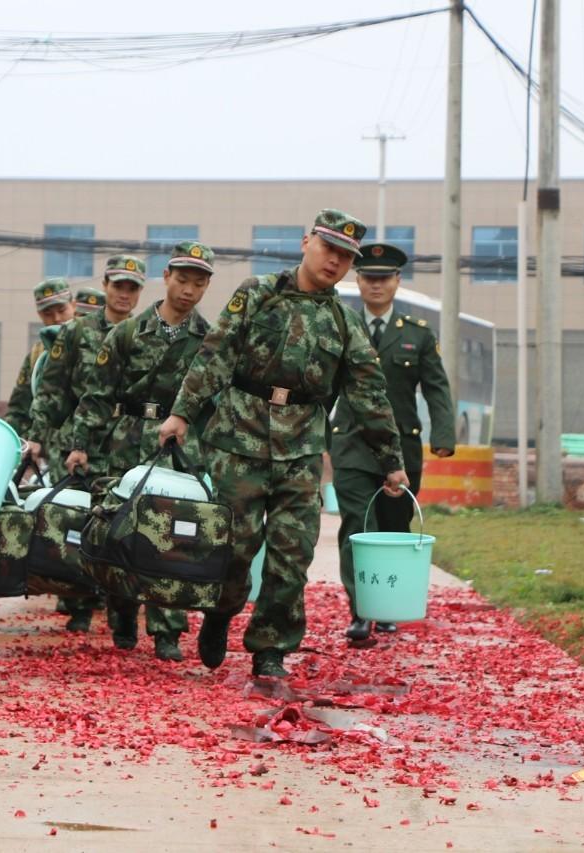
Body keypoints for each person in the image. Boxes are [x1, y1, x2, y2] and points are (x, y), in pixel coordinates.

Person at [158, 209, 409, 678]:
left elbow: (369, 394)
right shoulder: (257, 295)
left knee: (292, 556)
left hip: (302, 447)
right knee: (234, 549)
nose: (335, 261)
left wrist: (391, 461)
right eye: (329, 248)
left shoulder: (343, 322)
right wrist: (181, 413)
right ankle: (220, 613)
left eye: (345, 256)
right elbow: (216, 354)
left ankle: (270, 649)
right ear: (306, 243)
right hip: (240, 440)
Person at [65, 241, 217, 661]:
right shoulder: (127, 333)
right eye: (182, 279)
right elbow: (95, 396)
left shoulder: (209, 341)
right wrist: (81, 447)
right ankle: (122, 615)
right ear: (166, 277)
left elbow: (216, 403)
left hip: (177, 447)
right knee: (120, 532)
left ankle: (167, 631)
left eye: (198, 283)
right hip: (124, 439)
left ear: (206, 287)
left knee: (170, 536)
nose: (188, 290)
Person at [330, 242, 455, 642]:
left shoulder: (416, 335)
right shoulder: (343, 327)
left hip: (402, 450)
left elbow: (436, 388)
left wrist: (443, 435)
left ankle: (387, 609)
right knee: (356, 528)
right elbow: (326, 387)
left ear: (397, 281)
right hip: (351, 445)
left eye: (384, 278)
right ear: (358, 281)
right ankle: (361, 612)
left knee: (393, 532)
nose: (376, 285)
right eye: (369, 278)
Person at [28, 254, 147, 632]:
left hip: (129, 441)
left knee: (128, 527)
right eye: (118, 285)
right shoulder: (76, 333)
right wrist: (38, 436)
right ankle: (79, 605)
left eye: (132, 288)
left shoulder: (145, 333)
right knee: (80, 523)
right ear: (107, 285)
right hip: (84, 439)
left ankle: (122, 610)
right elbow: (53, 390)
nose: (124, 294)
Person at [3, 278, 77, 438]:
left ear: (74, 305)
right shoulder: (37, 355)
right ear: (39, 315)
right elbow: (19, 408)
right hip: (46, 446)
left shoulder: (92, 344)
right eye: (48, 313)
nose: (57, 318)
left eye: (62, 310)